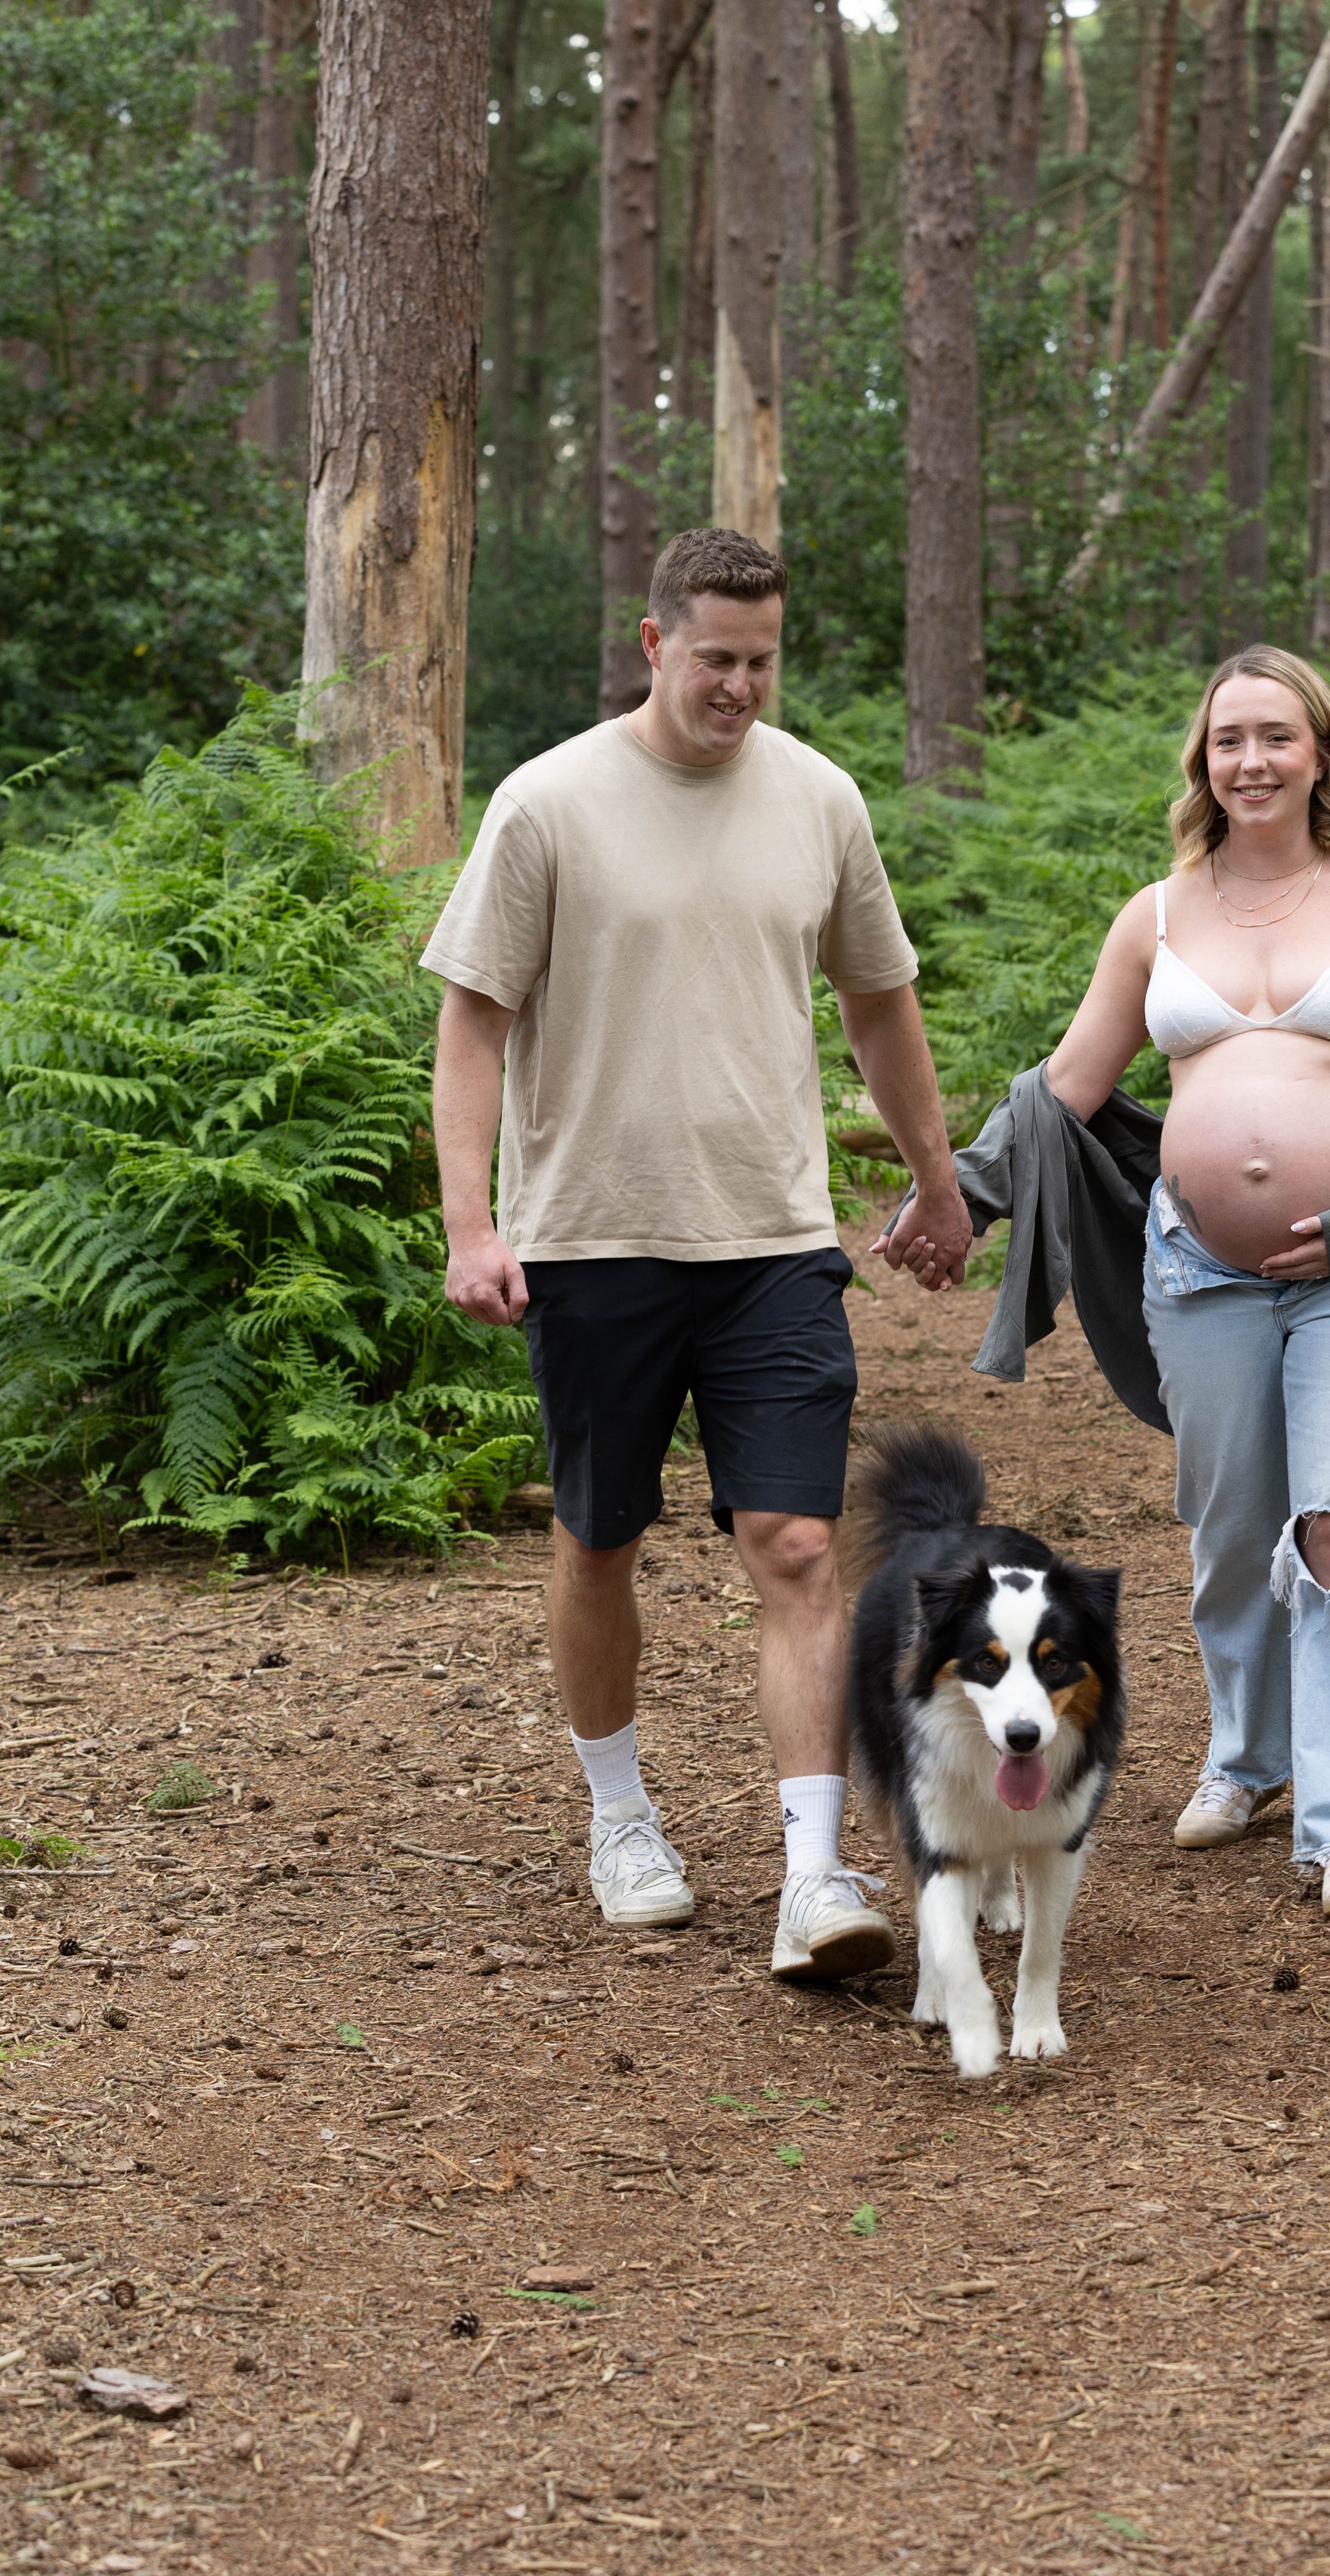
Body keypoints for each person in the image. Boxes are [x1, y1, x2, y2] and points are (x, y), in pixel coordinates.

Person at [422, 527, 973, 1981]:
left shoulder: (820, 799)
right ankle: (621, 1819)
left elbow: (879, 999)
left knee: (793, 1545)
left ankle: (813, 1875)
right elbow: (472, 1019)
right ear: (655, 642)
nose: (739, 686)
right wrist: (472, 1220)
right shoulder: (549, 804)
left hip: (775, 1240)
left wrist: (936, 1177)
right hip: (595, 1238)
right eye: (715, 657)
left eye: (762, 661)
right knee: (600, 1536)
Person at [909, 645, 1330, 1919]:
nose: (1253, 761)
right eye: (1230, 741)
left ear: (1321, 751)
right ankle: (1248, 1755)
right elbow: (1066, 1090)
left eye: (1278, 736)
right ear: (1202, 763)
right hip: (1201, 1271)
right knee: (1232, 1536)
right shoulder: (1158, 914)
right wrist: (958, 1199)